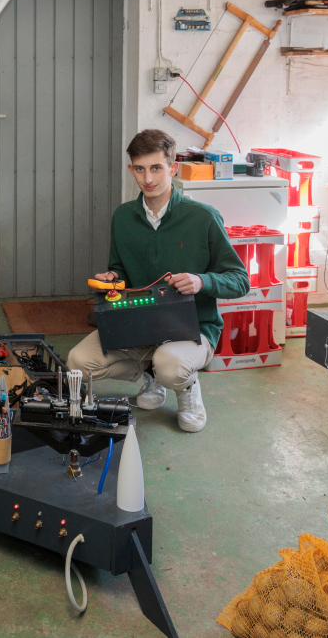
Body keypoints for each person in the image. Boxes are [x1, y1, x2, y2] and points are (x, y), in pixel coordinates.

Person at [67, 129, 250, 432]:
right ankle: (150, 374)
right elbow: (121, 270)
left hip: (192, 328)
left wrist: (201, 281)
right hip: (138, 325)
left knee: (171, 365)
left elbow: (240, 280)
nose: (148, 178)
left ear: (173, 167)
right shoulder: (123, 217)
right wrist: (113, 278)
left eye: (156, 168)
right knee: (78, 360)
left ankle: (186, 387)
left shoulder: (204, 217)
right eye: (140, 169)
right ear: (131, 170)